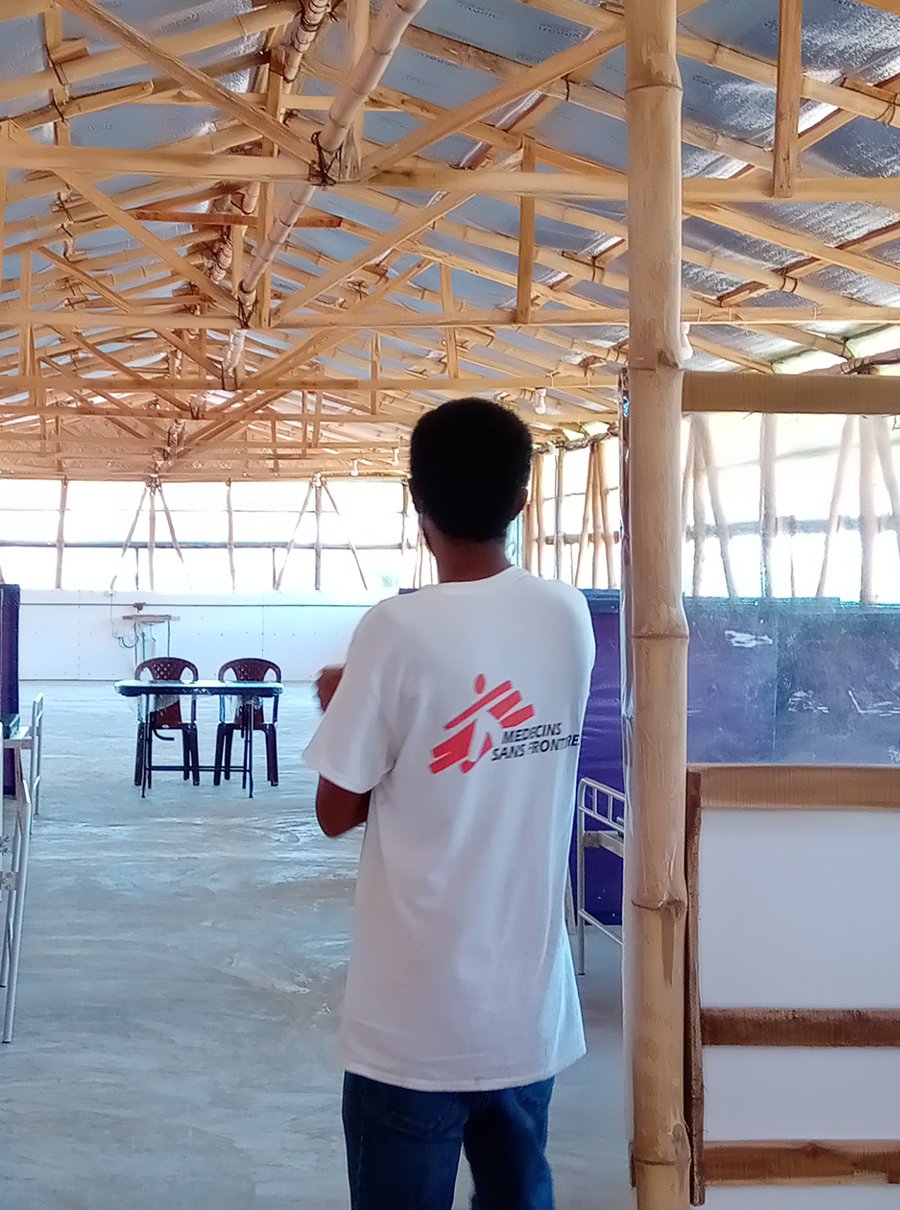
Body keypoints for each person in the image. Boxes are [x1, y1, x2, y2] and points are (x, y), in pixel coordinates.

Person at [304, 398, 594, 1210]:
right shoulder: (567, 615)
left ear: (415, 500)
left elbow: (337, 810)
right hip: (526, 1015)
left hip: (414, 1024)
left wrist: (345, 701)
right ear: (520, 503)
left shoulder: (395, 631)